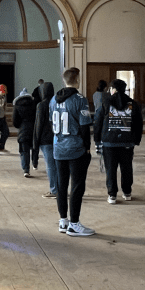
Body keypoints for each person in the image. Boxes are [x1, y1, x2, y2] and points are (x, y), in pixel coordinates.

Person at [51, 67, 95, 237]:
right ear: (77, 80)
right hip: (75, 149)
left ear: (64, 80)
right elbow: (84, 126)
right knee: (77, 186)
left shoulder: (53, 100)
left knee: (61, 185)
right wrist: (87, 147)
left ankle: (63, 221)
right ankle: (74, 224)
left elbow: (51, 123)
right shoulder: (80, 99)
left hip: (58, 148)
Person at [93, 78, 144, 204]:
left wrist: (97, 140)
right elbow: (139, 124)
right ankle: (127, 192)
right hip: (127, 142)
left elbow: (98, 122)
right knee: (126, 167)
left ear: (113, 89)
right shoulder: (133, 104)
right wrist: (136, 140)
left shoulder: (105, 102)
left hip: (109, 142)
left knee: (110, 168)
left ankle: (112, 195)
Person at [32, 81, 58, 199]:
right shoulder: (58, 103)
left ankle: (54, 190)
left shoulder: (41, 105)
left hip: (46, 140)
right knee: (58, 165)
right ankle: (60, 188)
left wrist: (35, 143)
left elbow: (38, 125)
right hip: (58, 139)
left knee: (50, 166)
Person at [12, 88, 37, 177]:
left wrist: (20, 126)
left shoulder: (17, 106)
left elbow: (15, 122)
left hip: (23, 130)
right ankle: (35, 164)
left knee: (24, 151)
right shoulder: (34, 105)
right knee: (34, 148)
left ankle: (26, 170)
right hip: (34, 130)